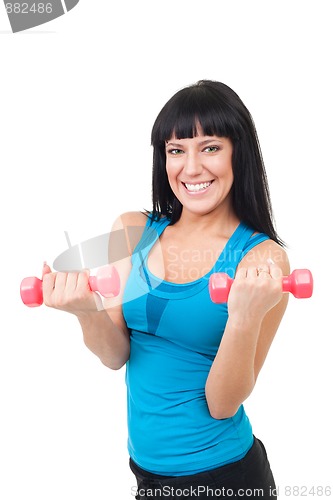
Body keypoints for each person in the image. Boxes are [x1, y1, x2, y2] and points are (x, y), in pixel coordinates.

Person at [42, 80, 289, 499]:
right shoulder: (133, 230)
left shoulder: (261, 260)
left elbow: (222, 405)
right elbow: (115, 355)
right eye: (176, 150)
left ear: (238, 154)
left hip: (223, 477)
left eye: (209, 147)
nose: (190, 168)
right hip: (147, 475)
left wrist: (245, 318)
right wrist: (87, 311)